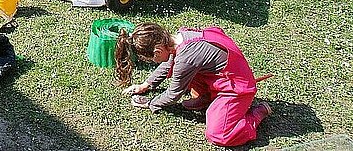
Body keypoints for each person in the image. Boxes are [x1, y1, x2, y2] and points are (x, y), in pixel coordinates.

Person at [114, 23, 273, 147]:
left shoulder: (186, 58)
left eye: (150, 59)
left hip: (237, 88)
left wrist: (151, 103)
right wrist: (146, 85)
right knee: (186, 73)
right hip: (226, 75)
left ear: (157, 51)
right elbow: (170, 62)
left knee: (218, 134)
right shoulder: (179, 39)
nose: (152, 62)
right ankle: (208, 98)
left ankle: (255, 115)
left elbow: (173, 94)